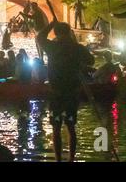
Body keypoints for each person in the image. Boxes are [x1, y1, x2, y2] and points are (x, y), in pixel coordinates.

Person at [37, 20, 95, 162]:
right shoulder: (76, 48)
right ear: (68, 33)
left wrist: (51, 23)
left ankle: (58, 160)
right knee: (70, 126)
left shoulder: (52, 47)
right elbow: (91, 61)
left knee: (56, 127)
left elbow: (39, 37)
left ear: (56, 34)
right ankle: (71, 159)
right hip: (71, 93)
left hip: (56, 94)